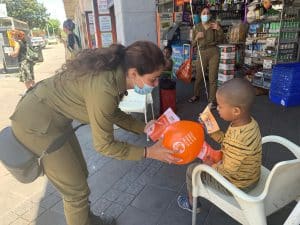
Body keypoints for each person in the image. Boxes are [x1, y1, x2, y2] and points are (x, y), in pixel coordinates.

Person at [10, 41, 181, 225]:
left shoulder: (115, 74)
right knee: (75, 191)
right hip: (36, 126)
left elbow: (110, 112)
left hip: (53, 118)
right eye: (152, 79)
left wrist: (144, 127)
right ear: (133, 73)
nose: (155, 85)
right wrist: (149, 152)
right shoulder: (105, 87)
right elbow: (104, 145)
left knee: (80, 174)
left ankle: (88, 221)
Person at [177, 78, 262, 212]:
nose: (218, 110)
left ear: (236, 111)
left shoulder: (238, 139)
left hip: (238, 184)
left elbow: (228, 170)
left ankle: (192, 204)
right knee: (208, 157)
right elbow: (227, 141)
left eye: (221, 106)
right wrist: (210, 128)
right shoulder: (249, 124)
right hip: (250, 175)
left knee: (192, 170)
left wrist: (211, 166)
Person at [188, 7, 225, 109]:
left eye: (208, 13)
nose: (206, 14)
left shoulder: (214, 25)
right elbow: (193, 44)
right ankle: (196, 95)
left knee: (213, 78)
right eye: (204, 13)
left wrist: (219, 29)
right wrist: (196, 38)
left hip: (214, 52)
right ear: (200, 15)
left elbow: (222, 40)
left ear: (210, 15)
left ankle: (212, 101)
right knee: (199, 75)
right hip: (201, 52)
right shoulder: (196, 27)